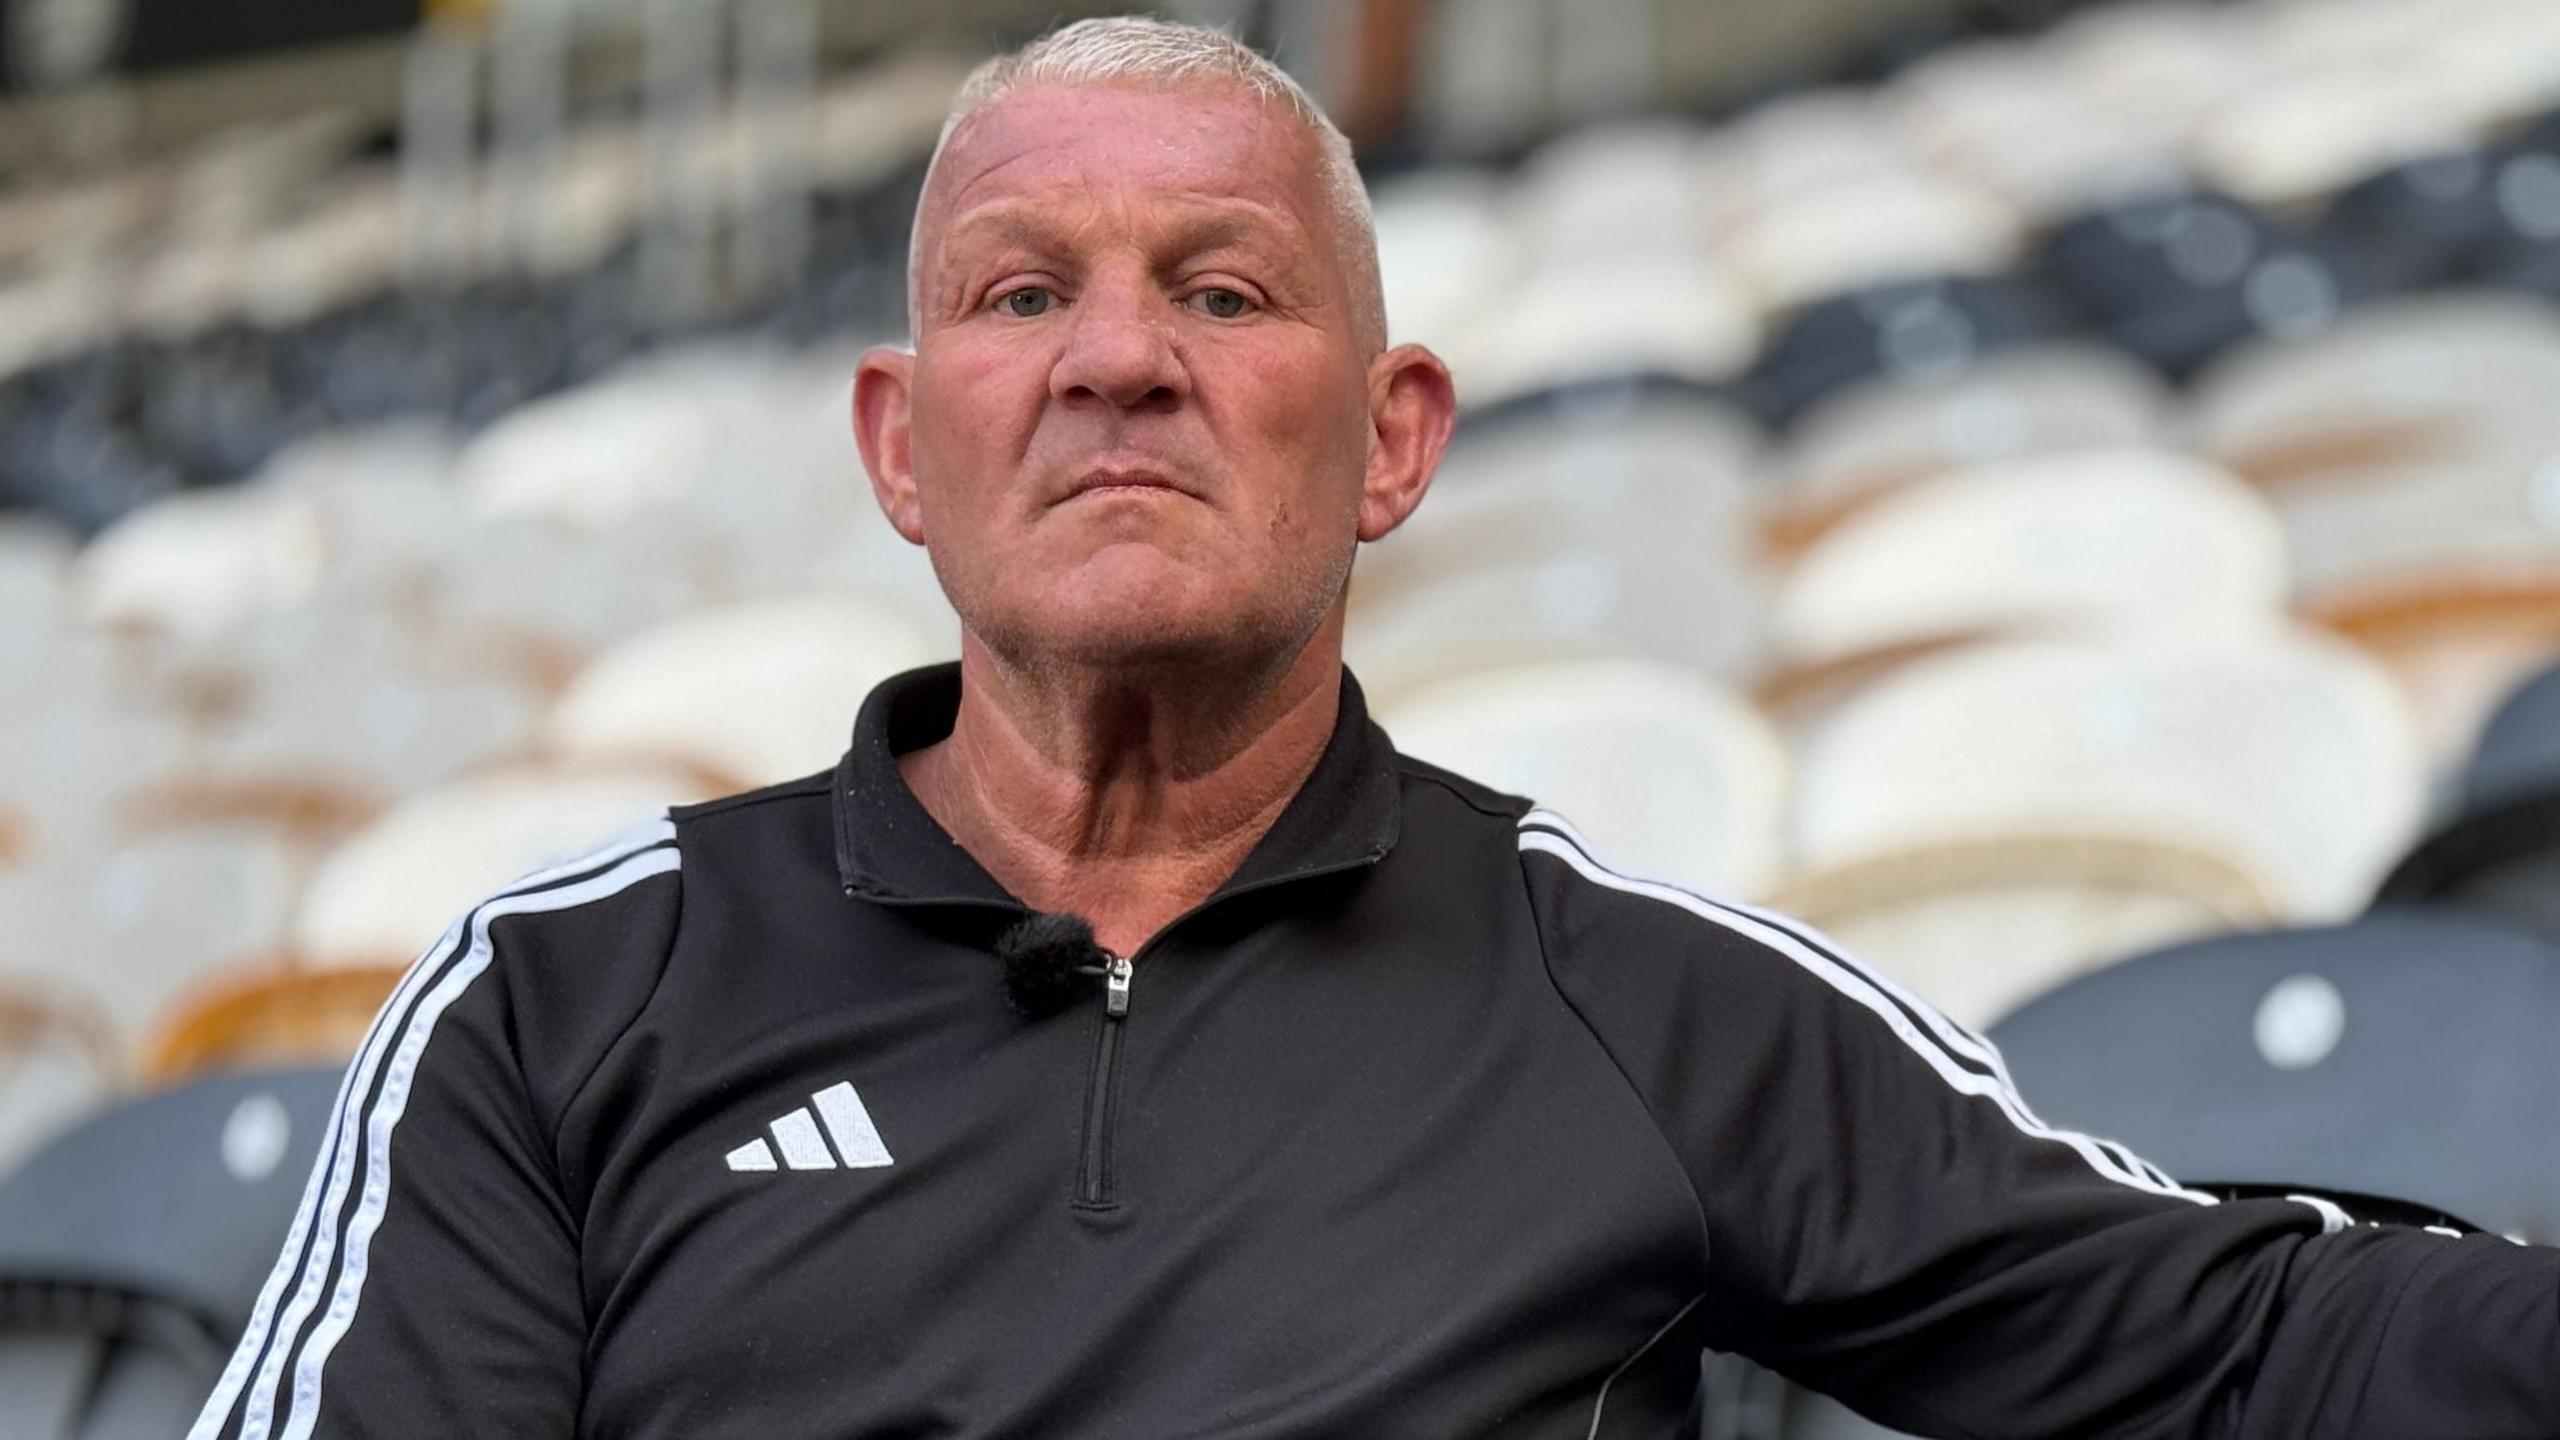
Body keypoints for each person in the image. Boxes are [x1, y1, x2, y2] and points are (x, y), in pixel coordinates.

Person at [192, 16, 2560, 1440]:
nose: (1119, 358)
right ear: (901, 446)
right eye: (1025, 297)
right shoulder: (555, 1003)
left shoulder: (1641, 1006)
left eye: (1220, 290)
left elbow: (2249, 1343)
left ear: (1394, 438)